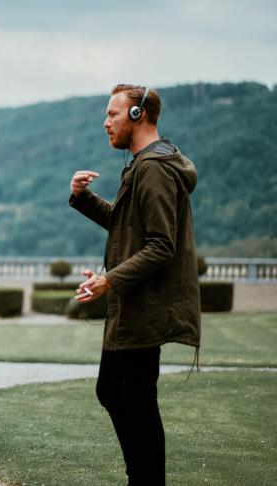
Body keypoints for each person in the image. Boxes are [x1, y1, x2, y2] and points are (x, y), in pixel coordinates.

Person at [69, 84, 200, 485]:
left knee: (137, 401)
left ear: (138, 115)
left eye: (113, 114)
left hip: (146, 306)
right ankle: (141, 478)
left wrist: (109, 280)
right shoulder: (142, 164)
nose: (106, 122)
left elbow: (161, 246)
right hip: (131, 304)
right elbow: (127, 225)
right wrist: (83, 197)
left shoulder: (155, 168)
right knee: (113, 391)